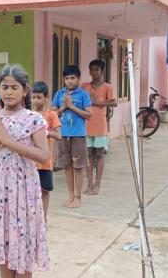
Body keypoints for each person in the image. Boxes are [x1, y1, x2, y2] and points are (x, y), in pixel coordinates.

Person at [0, 64, 50, 278]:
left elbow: (43, 155)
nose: (9, 92)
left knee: (22, 245)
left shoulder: (33, 119)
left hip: (23, 190)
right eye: (4, 87)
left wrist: (7, 141)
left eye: (15, 87)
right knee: (3, 241)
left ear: (25, 90)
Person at [52, 65, 92, 209]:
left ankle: (78, 197)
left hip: (78, 136)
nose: (69, 81)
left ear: (79, 79)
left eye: (72, 78)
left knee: (78, 167)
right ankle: (70, 197)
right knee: (67, 166)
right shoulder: (59, 94)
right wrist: (63, 107)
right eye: (67, 78)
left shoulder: (83, 94)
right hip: (63, 135)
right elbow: (52, 114)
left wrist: (72, 107)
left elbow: (89, 115)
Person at [81, 59, 117, 195]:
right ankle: (89, 184)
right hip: (86, 126)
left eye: (97, 69)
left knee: (99, 155)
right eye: (92, 69)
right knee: (89, 155)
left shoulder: (107, 87)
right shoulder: (84, 86)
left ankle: (97, 184)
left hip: (100, 126)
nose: (94, 72)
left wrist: (99, 103)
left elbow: (114, 103)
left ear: (102, 71)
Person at [31, 81, 61, 220]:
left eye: (39, 97)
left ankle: (44, 218)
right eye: (34, 97)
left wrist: (46, 132)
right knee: (31, 191)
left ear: (46, 97)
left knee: (45, 190)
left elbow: (58, 135)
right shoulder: (29, 115)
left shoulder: (51, 115)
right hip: (31, 160)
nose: (36, 100)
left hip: (45, 161)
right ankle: (32, 218)